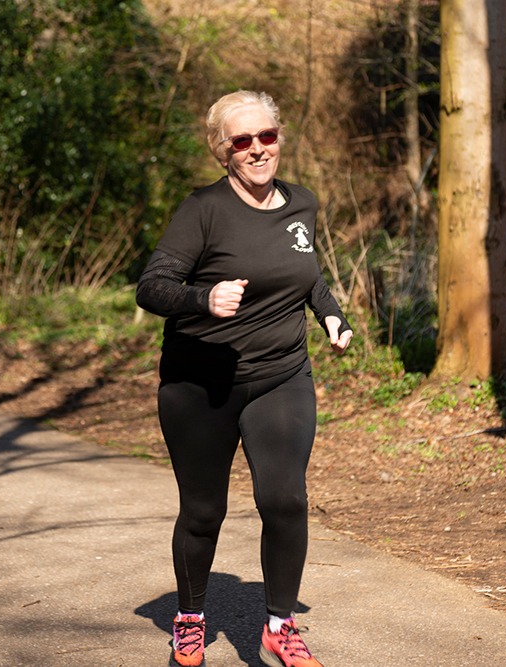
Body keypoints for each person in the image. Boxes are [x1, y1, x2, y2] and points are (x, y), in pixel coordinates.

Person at [135, 90, 353, 667]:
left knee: (285, 499)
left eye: (267, 136)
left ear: (280, 136)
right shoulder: (202, 209)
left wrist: (332, 313)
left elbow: (305, 275)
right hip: (200, 383)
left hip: (282, 375)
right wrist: (204, 297)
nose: (258, 149)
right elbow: (151, 287)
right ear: (223, 151)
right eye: (242, 141)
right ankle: (189, 616)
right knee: (204, 512)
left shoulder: (301, 204)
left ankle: (279, 626)